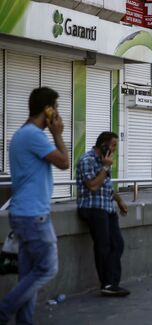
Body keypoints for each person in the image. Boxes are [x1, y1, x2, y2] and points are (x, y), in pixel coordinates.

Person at [0, 87, 69, 324]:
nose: (58, 113)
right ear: (47, 110)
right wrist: (58, 133)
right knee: (48, 268)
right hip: (33, 215)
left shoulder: (22, 134)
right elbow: (64, 162)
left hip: (23, 213)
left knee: (28, 275)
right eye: (56, 107)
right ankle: (4, 309)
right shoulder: (33, 135)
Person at [76, 132, 130, 297]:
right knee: (103, 245)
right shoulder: (87, 160)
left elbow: (105, 187)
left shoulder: (104, 162)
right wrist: (105, 168)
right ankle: (106, 283)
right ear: (104, 144)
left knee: (118, 244)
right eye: (113, 145)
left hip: (107, 207)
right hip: (92, 208)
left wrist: (119, 199)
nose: (114, 149)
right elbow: (92, 186)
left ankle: (113, 282)